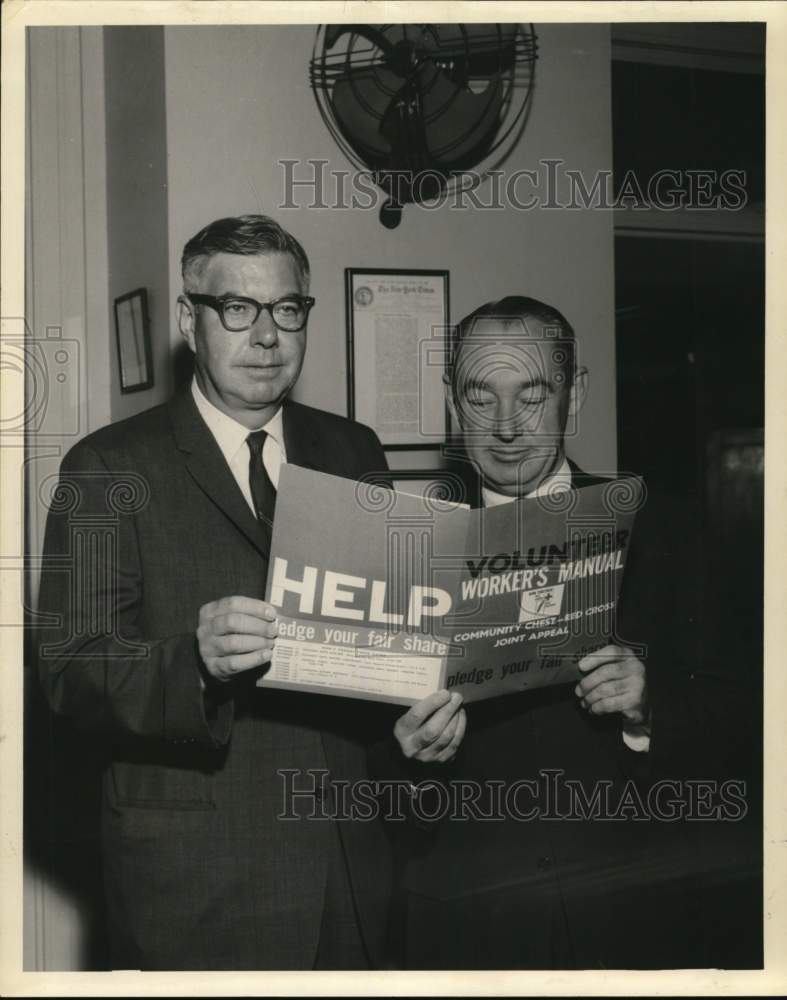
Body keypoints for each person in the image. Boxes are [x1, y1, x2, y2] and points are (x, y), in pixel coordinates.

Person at [36, 214, 400, 970]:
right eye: (237, 308)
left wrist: (417, 715)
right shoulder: (106, 467)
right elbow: (71, 671)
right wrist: (193, 663)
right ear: (187, 319)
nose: (266, 336)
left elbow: (379, 644)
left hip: (348, 865)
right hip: (197, 878)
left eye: (287, 309)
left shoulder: (354, 449)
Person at [390, 296, 746, 969]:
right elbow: (367, 774)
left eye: (532, 396)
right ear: (451, 403)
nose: (505, 426)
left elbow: (748, 722)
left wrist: (650, 709)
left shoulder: (667, 531)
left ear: (573, 395)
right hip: (470, 931)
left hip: (634, 924)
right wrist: (409, 759)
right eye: (480, 397)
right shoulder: (405, 551)